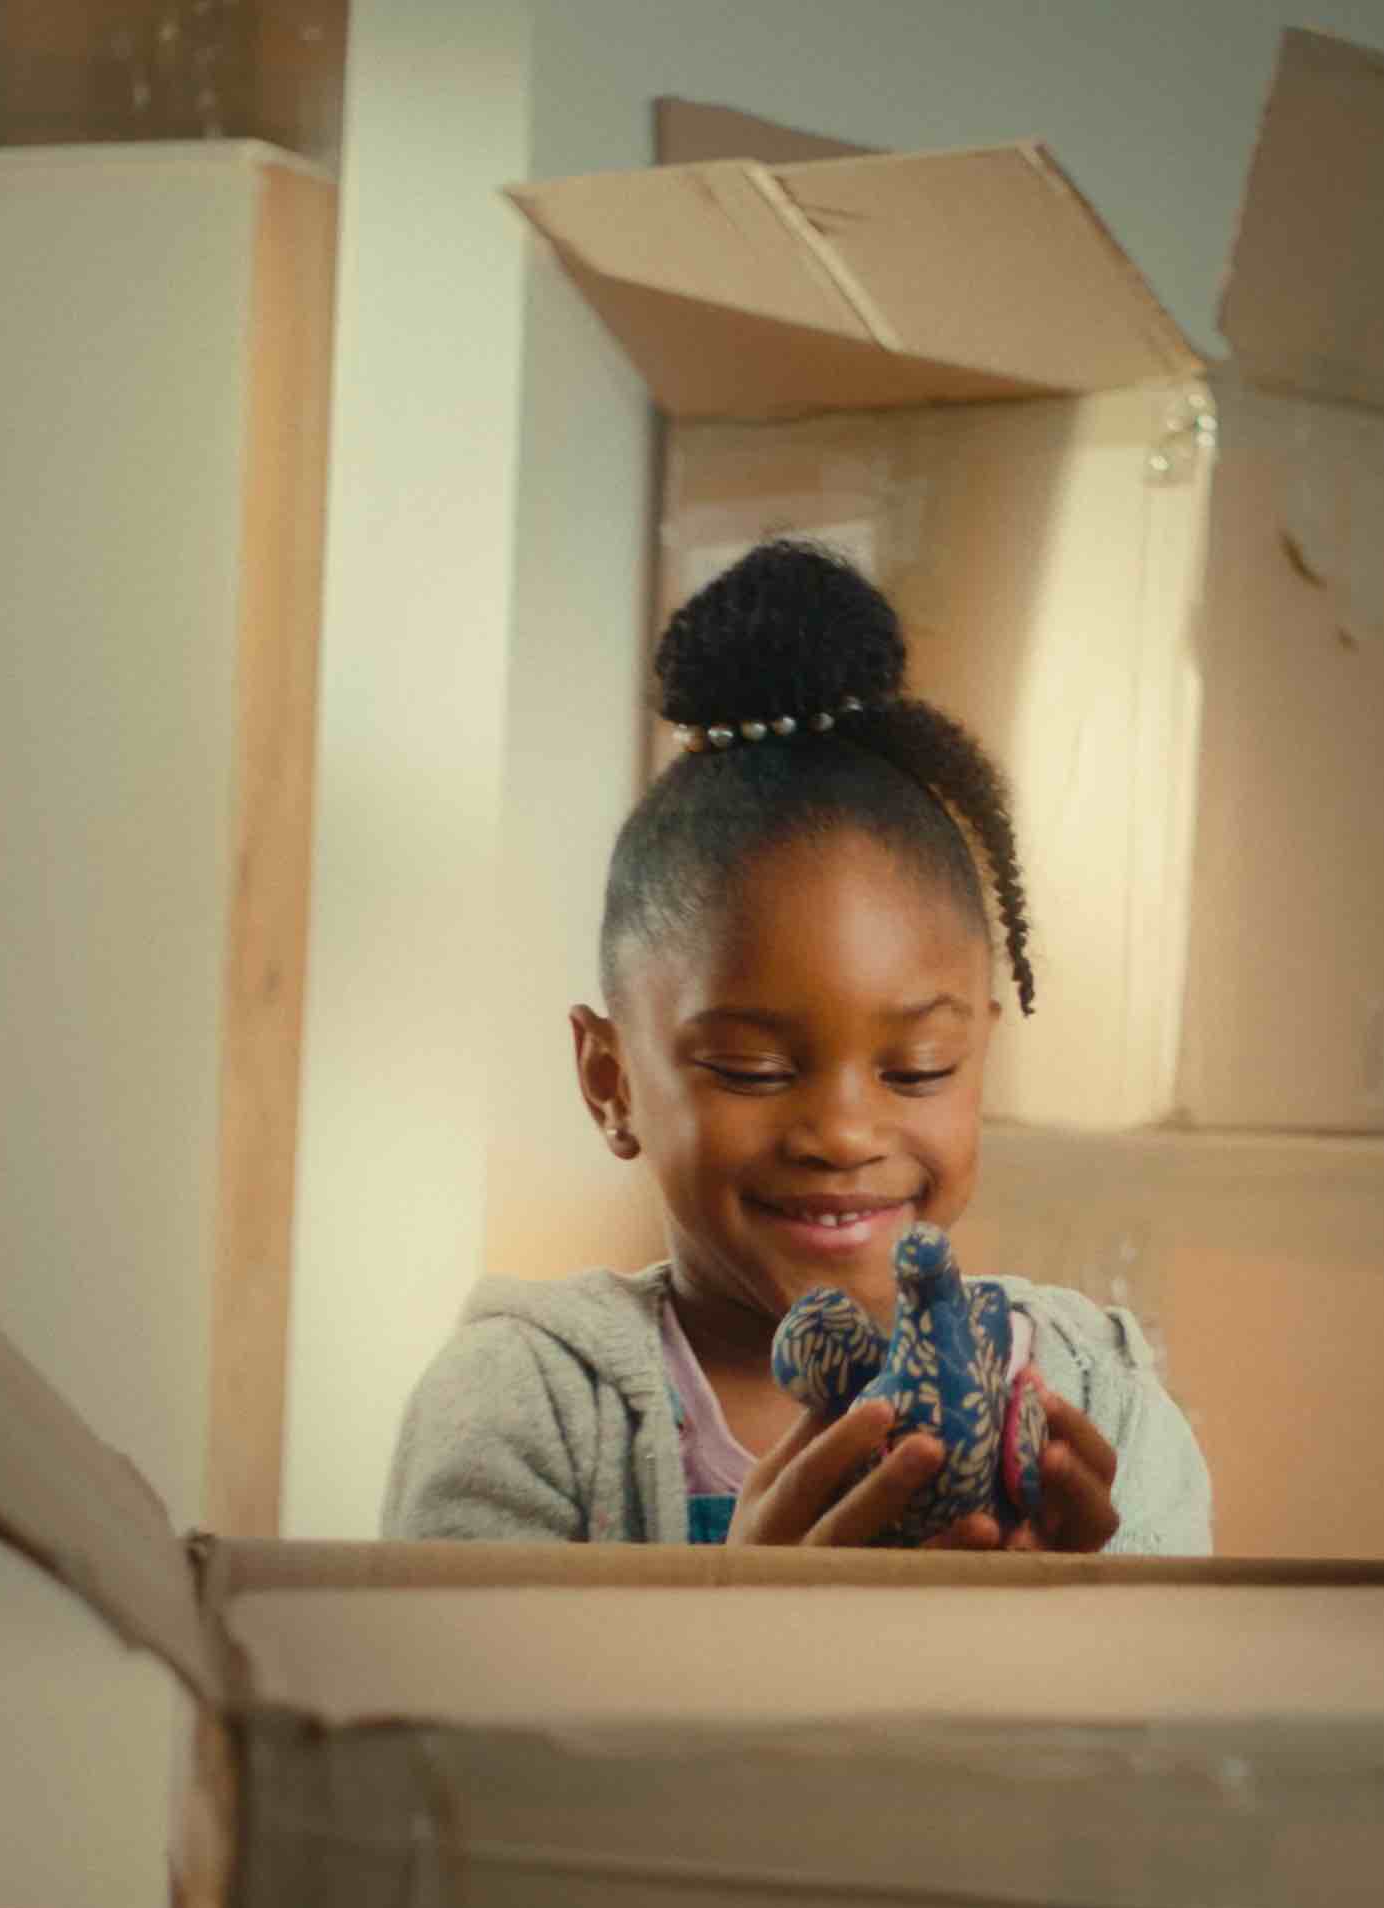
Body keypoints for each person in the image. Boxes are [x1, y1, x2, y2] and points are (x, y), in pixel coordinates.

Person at [381, 541, 1213, 1552]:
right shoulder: (533, 1411)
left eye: (918, 1070)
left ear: (980, 1057)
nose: (843, 1132)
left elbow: (1171, 1699)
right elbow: (448, 1710)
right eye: (754, 1071)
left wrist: (1075, 1629)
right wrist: (750, 1620)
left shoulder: (1098, 1397)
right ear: (611, 1083)